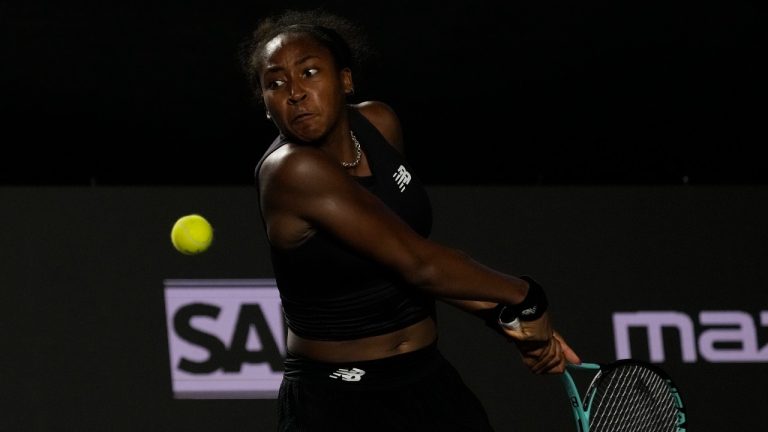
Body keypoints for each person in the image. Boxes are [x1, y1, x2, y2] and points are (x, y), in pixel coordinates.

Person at [240, 8, 580, 431]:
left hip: (426, 378)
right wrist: (526, 297)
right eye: (275, 83)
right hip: (340, 403)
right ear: (267, 106)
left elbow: (401, 263)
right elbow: (420, 263)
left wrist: (506, 320)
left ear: (345, 80)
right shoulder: (292, 171)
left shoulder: (379, 124)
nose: (294, 92)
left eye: (309, 72)